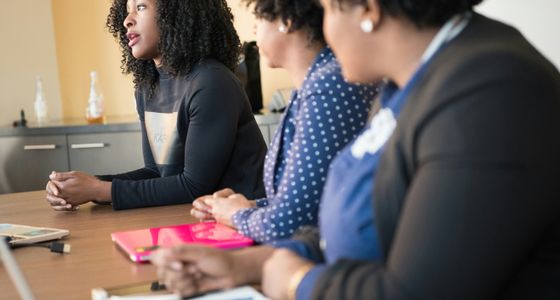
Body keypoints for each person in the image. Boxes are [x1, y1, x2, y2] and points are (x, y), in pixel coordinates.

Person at [151, 0, 560, 299]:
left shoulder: (491, 91)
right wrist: (245, 266)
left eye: (328, 10)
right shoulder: (408, 82)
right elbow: (363, 222)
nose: (325, 30)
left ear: (368, 8)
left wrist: (298, 282)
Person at [45, 0, 267, 211]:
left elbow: (194, 186)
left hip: (245, 222)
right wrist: (83, 186)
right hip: (193, 217)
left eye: (140, 7)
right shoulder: (147, 87)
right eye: (127, 9)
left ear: (177, 12)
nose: (127, 20)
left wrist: (101, 190)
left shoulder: (211, 82)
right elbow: (157, 173)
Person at [190, 0, 377, 243]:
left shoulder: (327, 86)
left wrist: (237, 214)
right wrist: (251, 205)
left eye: (259, 18)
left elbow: (288, 224)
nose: (255, 30)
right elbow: (309, 199)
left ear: (287, 21)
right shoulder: (311, 85)